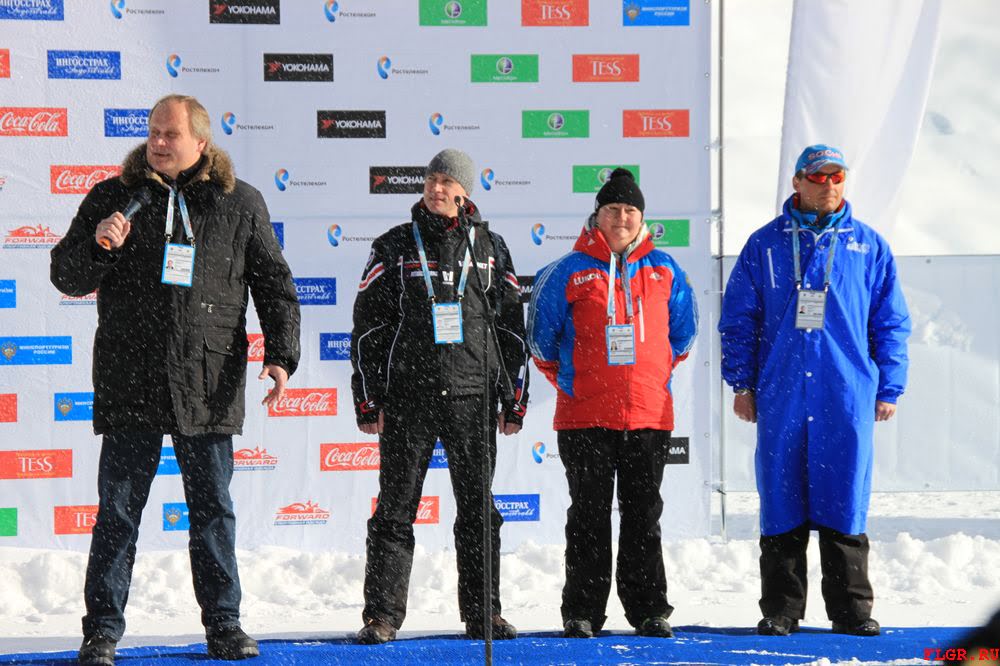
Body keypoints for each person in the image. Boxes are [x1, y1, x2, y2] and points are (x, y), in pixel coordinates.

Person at [51, 94, 301, 665]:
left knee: (212, 511)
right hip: (131, 376)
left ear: (201, 143)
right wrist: (98, 246)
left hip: (207, 379)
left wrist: (281, 356)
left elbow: (275, 286)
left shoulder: (240, 203)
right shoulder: (114, 197)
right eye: (153, 132)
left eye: (171, 134)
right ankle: (101, 633)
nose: (158, 143)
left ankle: (224, 625)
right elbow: (66, 275)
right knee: (118, 513)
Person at [718, 144, 910, 637]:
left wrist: (889, 386)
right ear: (797, 181)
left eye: (836, 176)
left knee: (843, 496)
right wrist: (742, 383)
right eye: (818, 176)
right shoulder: (764, 245)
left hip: (845, 393)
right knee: (782, 496)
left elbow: (889, 323)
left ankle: (851, 610)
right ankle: (781, 610)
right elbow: (739, 320)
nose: (828, 185)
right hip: (781, 391)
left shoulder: (869, 246)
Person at [350, 148, 529, 644]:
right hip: (409, 398)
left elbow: (511, 328)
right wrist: (367, 396)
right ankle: (382, 616)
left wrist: (514, 397)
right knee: (395, 509)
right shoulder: (394, 244)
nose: (436, 187)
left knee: (478, 511)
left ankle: (484, 613)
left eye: (447, 181)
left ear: (465, 192)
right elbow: (368, 326)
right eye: (431, 179)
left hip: (472, 397)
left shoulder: (490, 247)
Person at [526, 168, 698, 639]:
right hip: (585, 417)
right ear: (597, 215)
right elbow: (540, 341)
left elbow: (683, 335)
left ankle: (649, 610)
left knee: (644, 517)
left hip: (648, 416)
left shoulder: (666, 269)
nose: (621, 218)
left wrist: (649, 374)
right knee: (588, 517)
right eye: (613, 209)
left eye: (630, 210)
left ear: (641, 218)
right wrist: (573, 381)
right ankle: (582, 611)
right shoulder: (567, 270)